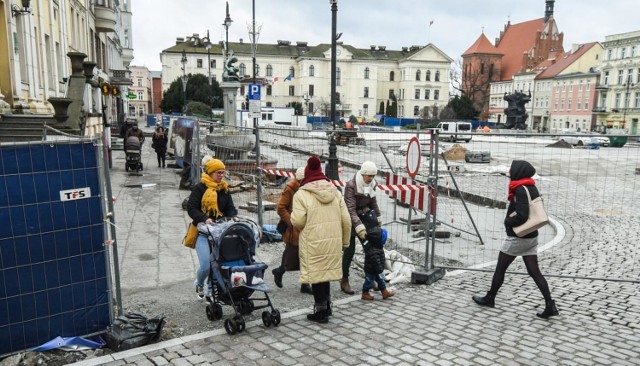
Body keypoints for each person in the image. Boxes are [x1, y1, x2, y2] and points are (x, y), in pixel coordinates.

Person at [471, 160, 559, 319]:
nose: (510, 171)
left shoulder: (520, 189)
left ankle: (490, 298)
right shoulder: (531, 186)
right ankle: (550, 304)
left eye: (512, 169)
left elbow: (522, 215)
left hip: (518, 237)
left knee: (500, 268)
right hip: (531, 236)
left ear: (518, 171)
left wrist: (507, 222)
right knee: (534, 272)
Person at [291, 156, 351, 323]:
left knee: (317, 274)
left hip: (313, 240)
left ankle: (321, 310)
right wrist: (345, 241)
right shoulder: (335, 191)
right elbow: (346, 219)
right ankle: (328, 305)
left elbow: (298, 221)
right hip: (333, 240)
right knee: (326, 272)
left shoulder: (301, 194)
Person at [187, 158, 237, 300]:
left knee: (217, 264)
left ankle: (211, 290)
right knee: (206, 266)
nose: (221, 175)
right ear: (210, 172)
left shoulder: (224, 189)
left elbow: (230, 208)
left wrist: (233, 217)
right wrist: (204, 218)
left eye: (223, 172)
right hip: (202, 233)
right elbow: (191, 208)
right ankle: (200, 283)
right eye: (218, 172)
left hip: (219, 232)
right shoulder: (199, 188)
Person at [341, 161, 382, 295]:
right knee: (349, 251)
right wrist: (359, 227)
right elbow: (350, 209)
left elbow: (374, 203)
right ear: (363, 174)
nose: (371, 178)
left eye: (373, 176)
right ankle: (344, 279)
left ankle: (371, 278)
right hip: (351, 220)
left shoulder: (372, 185)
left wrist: (378, 219)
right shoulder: (351, 186)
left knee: (370, 250)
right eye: (369, 176)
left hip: (366, 219)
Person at [272, 167, 312, 294]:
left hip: (304, 224)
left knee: (306, 254)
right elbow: (281, 208)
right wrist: (291, 222)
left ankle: (305, 283)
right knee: (291, 253)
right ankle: (280, 271)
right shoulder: (290, 189)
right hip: (294, 226)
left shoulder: (305, 187)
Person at [358, 213, 394, 301]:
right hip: (371, 270)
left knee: (380, 281)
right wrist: (380, 270)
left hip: (376, 270)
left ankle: (384, 291)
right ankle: (365, 293)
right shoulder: (374, 250)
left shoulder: (378, 247)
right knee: (368, 281)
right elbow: (376, 261)